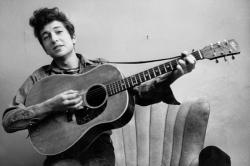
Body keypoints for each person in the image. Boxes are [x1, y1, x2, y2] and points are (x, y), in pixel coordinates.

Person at [2, 7, 196, 166]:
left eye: (59, 32)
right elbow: (9, 122)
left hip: (99, 148)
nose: (54, 39)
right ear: (44, 47)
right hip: (59, 153)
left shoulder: (101, 69)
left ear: (73, 37)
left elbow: (138, 94)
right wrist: (51, 105)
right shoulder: (39, 78)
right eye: (46, 37)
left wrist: (173, 76)